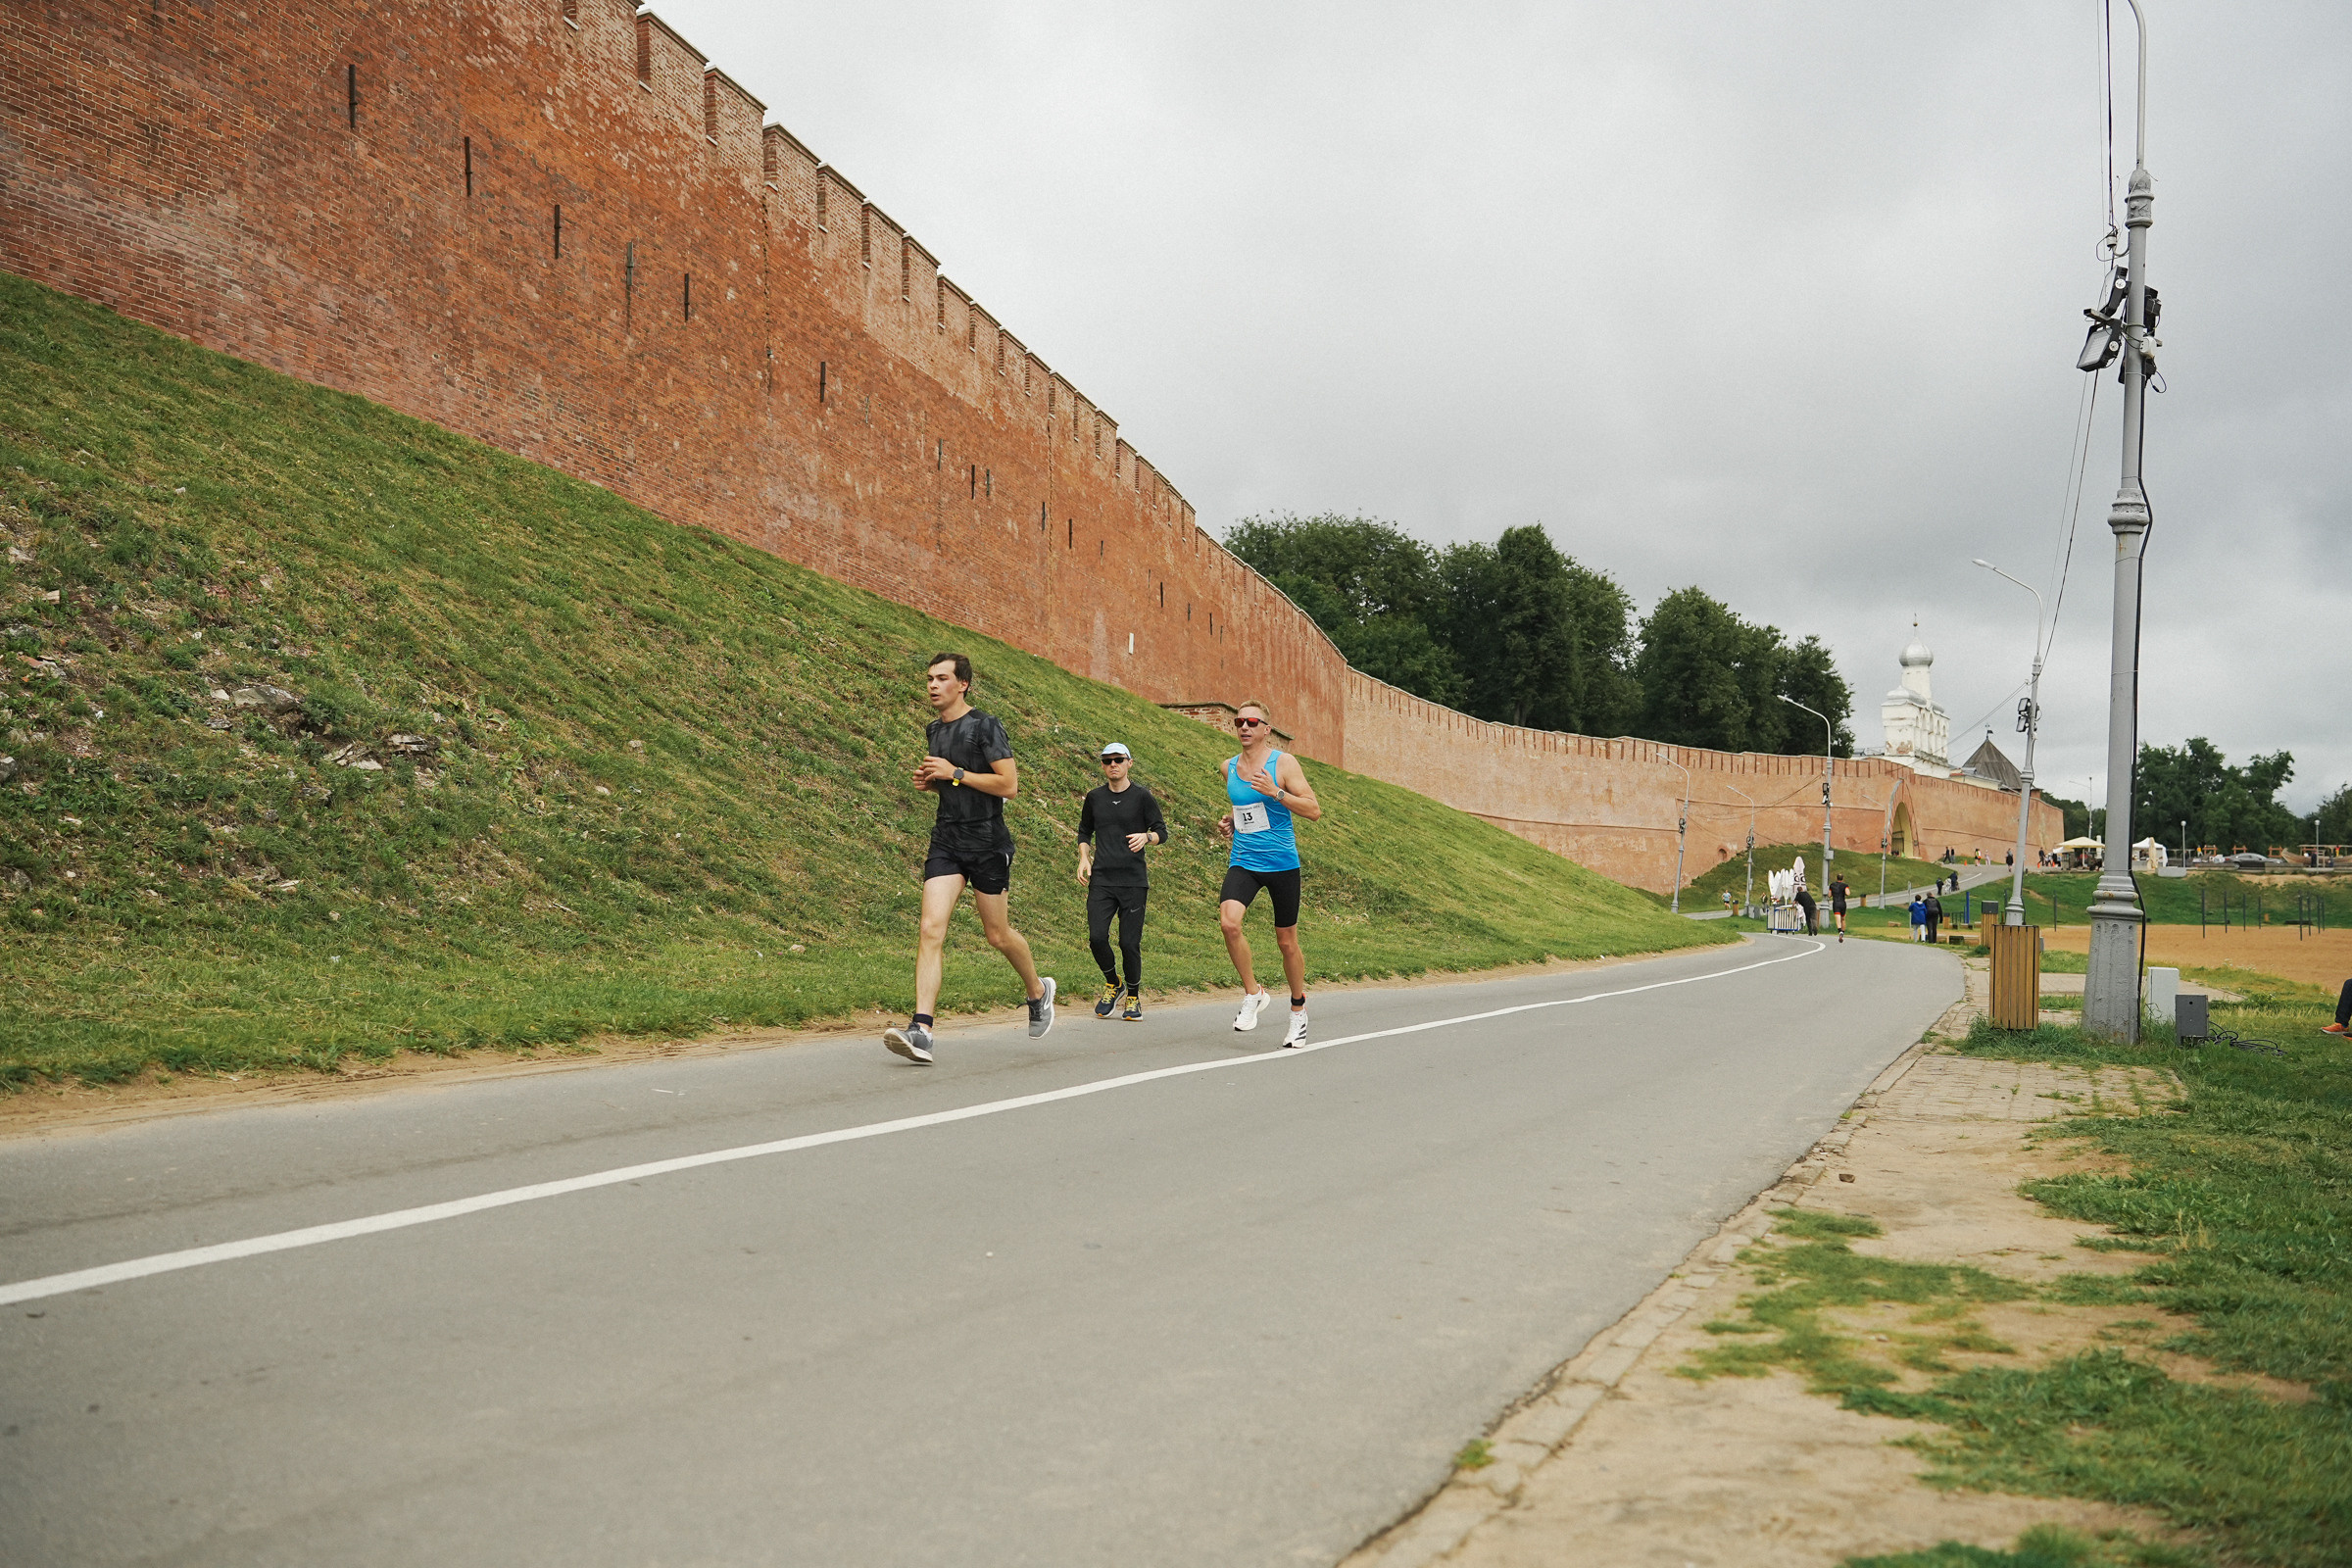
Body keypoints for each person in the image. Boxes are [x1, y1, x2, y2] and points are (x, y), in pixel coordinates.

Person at [883, 653, 1054, 1064]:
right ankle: (921, 1029)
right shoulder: (932, 730)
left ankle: (1037, 990)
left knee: (997, 935)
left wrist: (955, 773)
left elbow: (1009, 785)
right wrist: (935, 783)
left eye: (942, 678)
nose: (932, 685)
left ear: (963, 684)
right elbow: (951, 780)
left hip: (987, 843)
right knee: (930, 928)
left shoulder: (985, 725)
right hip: (947, 840)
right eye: (929, 678)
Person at [1215, 699, 1323, 1047]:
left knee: (1287, 943)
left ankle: (1297, 1010)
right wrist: (1232, 821)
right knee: (1229, 922)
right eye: (1239, 722)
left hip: (1282, 864)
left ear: (1266, 730)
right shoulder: (1228, 767)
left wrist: (1276, 792)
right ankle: (1254, 992)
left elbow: (1313, 810)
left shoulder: (1283, 763)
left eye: (1251, 722)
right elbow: (1247, 808)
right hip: (1245, 859)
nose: (1244, 727)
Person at [1075, 742, 1167, 1021]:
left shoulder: (1142, 797)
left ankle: (1134, 997)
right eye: (1107, 761)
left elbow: (1162, 831)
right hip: (1102, 879)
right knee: (1096, 937)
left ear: (1129, 763)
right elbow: (1084, 831)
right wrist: (1083, 858)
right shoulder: (1094, 798)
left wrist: (1146, 837)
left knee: (1129, 944)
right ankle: (1113, 983)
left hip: (1133, 881)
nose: (1112, 764)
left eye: (1118, 759)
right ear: (1102, 765)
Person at [1828, 873, 1849, 943]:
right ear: (1842, 879)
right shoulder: (1845, 885)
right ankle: (1842, 932)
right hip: (1843, 903)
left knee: (1837, 918)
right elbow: (1848, 893)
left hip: (1836, 903)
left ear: (1836, 878)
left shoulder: (1832, 885)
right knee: (1843, 919)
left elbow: (1829, 895)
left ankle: (1839, 931)